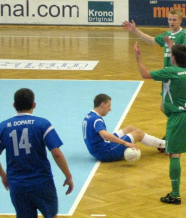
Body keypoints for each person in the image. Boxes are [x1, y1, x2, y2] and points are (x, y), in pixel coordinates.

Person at [134, 37, 186, 205]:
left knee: (174, 154)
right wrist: (171, 46)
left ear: (173, 58)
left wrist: (138, 58)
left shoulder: (170, 73)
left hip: (179, 117)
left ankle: (175, 194)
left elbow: (145, 74)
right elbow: (181, 57)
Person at [0, 88, 73, 218]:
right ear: (34, 105)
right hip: (42, 183)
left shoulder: (3, 127)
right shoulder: (42, 124)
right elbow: (56, 153)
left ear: (14, 105)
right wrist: (68, 176)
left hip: (17, 185)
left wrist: (3, 175)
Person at [82, 94, 166, 162]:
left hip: (97, 150)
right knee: (138, 134)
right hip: (105, 152)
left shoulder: (89, 116)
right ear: (102, 104)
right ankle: (165, 144)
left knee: (131, 128)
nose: (110, 109)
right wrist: (125, 143)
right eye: (109, 105)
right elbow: (105, 135)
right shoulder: (97, 119)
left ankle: (159, 145)